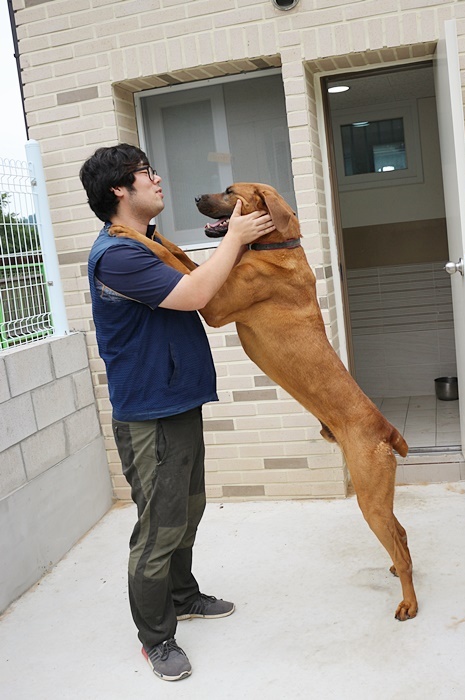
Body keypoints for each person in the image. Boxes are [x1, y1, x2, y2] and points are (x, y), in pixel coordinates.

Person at [80, 143, 274, 682]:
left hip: (177, 401)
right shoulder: (117, 254)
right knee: (158, 528)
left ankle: (184, 596)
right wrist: (235, 236)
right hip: (150, 414)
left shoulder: (148, 241)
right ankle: (156, 638)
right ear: (119, 188)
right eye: (146, 173)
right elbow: (192, 294)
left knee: (187, 510)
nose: (158, 178)